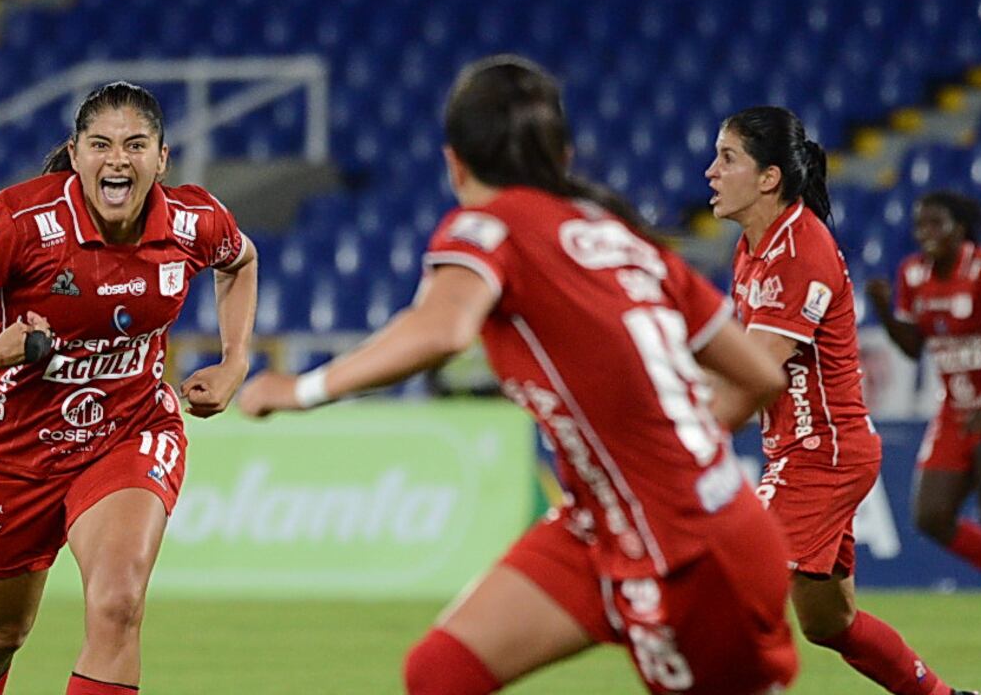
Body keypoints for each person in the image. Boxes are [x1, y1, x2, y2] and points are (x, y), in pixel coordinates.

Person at [240, 54, 799, 695]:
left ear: (454, 161)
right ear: (559, 155)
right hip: (606, 525)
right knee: (442, 671)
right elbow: (758, 374)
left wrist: (301, 390)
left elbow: (442, 329)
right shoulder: (621, 238)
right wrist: (664, 443)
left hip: (691, 551)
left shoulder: (490, 224)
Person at [0, 81, 257, 695]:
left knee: (118, 605)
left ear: (162, 159)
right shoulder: (22, 221)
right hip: (17, 450)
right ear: (77, 153)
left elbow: (240, 261)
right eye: (101, 144)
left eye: (136, 145)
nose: (118, 159)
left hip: (130, 429)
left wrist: (234, 362)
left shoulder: (195, 220)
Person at [706, 106, 976, 695]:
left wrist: (671, 433)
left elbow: (751, 374)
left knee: (721, 593)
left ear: (769, 177)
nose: (710, 172)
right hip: (802, 452)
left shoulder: (801, 249)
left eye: (727, 158)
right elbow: (747, 370)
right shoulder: (753, 249)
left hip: (820, 455)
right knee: (830, 622)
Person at [867, 191, 981, 576]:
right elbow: (912, 348)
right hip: (954, 411)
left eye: (936, 223)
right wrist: (885, 312)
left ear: (961, 229)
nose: (925, 233)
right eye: (920, 224)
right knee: (930, 515)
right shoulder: (913, 274)